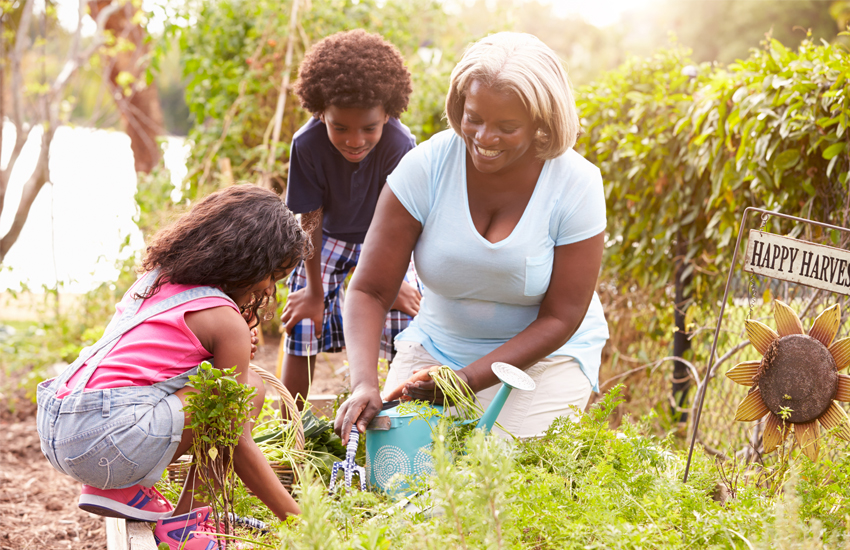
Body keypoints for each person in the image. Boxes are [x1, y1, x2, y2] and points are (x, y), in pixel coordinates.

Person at [335, 32, 610, 441]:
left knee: (499, 477)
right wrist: (364, 382)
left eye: (507, 127)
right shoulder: (426, 168)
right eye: (474, 118)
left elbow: (561, 315)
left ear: (541, 123)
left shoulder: (576, 184)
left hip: (544, 358)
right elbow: (370, 290)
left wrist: (465, 381)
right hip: (439, 347)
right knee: (396, 471)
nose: (483, 138)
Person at [36, 185, 307, 549]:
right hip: (105, 439)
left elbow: (137, 369)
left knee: (228, 390)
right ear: (249, 259)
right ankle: (189, 525)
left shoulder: (156, 280)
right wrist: (301, 522)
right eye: (272, 275)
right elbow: (235, 441)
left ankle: (123, 489)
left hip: (58, 423)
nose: (268, 289)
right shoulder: (225, 322)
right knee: (251, 391)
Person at [281, 29, 422, 407]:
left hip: (384, 237)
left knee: (404, 323)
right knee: (303, 321)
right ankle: (289, 429)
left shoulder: (400, 144)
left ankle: (396, 419)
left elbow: (406, 219)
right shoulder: (306, 144)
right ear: (319, 112)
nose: (354, 140)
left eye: (368, 128)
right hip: (324, 239)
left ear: (387, 115)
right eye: (339, 127)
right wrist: (313, 292)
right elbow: (309, 220)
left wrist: (396, 284)